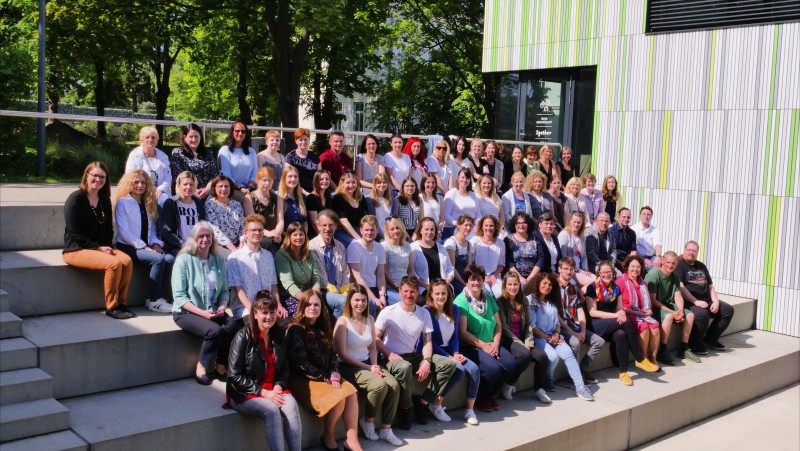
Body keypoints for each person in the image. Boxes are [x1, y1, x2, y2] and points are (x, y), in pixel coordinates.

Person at [375, 276, 456, 428]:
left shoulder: (423, 313)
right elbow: (375, 338)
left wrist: (426, 360)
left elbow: (427, 341)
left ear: (418, 292)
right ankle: (405, 408)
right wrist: (388, 353)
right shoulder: (388, 312)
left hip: (413, 355)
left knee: (448, 364)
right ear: (399, 291)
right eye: (405, 291)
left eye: (412, 292)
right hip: (391, 358)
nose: (409, 295)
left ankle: (424, 402)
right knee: (405, 367)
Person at [285, 291, 361, 451]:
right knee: (339, 398)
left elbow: (333, 354)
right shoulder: (295, 329)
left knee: (351, 392)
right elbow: (301, 364)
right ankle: (328, 436)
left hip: (325, 376)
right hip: (303, 380)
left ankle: (352, 441)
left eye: (317, 304)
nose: (313, 308)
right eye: (309, 304)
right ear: (302, 307)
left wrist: (334, 372)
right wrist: (327, 376)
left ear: (321, 307)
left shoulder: (324, 327)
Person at [226, 293, 302, 451]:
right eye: (264, 312)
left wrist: (279, 385)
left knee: (291, 405)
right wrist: (263, 393)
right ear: (255, 314)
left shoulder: (278, 333)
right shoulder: (242, 337)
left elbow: (285, 367)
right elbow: (233, 376)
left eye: (272, 312)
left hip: (273, 387)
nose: (269, 316)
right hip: (245, 392)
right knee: (271, 410)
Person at [333, 286, 403, 446]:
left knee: (393, 384)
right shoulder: (342, 322)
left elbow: (372, 347)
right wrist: (369, 369)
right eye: (356, 300)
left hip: (367, 363)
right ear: (349, 301)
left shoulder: (370, 318)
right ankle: (368, 422)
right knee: (378, 385)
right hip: (348, 366)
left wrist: (374, 365)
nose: (360, 303)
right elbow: (342, 354)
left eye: (363, 300)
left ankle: (386, 428)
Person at [63, 162, 134, 320]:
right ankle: (112, 306)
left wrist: (107, 247)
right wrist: (97, 248)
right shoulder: (75, 199)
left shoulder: (104, 200)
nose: (98, 179)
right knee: (113, 264)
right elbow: (74, 233)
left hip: (99, 248)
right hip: (76, 249)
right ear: (86, 176)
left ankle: (122, 303)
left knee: (126, 261)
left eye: (102, 177)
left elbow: (109, 229)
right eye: (94, 175)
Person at [172, 221, 237, 384]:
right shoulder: (183, 260)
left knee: (232, 325)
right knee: (214, 330)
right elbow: (179, 297)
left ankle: (221, 365)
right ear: (194, 238)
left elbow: (223, 291)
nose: (205, 239)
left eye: (208, 236)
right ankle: (202, 367)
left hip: (212, 309)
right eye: (201, 236)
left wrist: (222, 306)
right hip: (186, 312)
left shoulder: (219, 260)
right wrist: (202, 313)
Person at [453, 264, 518, 411]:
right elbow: (462, 332)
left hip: (491, 342)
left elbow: (499, 325)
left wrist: (495, 344)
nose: (476, 283)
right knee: (493, 369)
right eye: (472, 279)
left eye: (479, 279)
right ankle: (482, 397)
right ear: (467, 281)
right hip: (471, 346)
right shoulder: (461, 301)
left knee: (511, 365)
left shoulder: (488, 298)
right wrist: (484, 346)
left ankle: (490, 394)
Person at [585, 261, 659, 385]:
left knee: (621, 335)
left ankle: (623, 372)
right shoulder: (592, 287)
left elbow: (620, 309)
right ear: (599, 273)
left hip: (611, 323)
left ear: (613, 273)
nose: (606, 274)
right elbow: (593, 313)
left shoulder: (615, 288)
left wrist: (621, 314)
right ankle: (640, 358)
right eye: (603, 272)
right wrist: (616, 315)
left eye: (609, 271)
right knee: (627, 323)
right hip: (595, 324)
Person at [420, 279, 481, 425]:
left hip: (450, 350)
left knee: (474, 369)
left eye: (444, 293)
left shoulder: (454, 309)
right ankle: (436, 404)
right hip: (434, 351)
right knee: (458, 370)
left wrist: (455, 353)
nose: (441, 297)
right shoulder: (426, 311)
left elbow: (455, 337)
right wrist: (447, 356)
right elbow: (430, 342)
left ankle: (469, 410)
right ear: (431, 294)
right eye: (437, 294)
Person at [113, 170, 174, 314]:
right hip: (128, 246)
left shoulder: (148, 203)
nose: (140, 185)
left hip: (146, 246)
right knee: (158, 260)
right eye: (136, 182)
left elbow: (151, 230)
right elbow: (124, 232)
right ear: (129, 183)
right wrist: (145, 247)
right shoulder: (123, 203)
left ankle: (158, 297)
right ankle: (154, 300)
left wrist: (155, 244)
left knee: (169, 258)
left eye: (143, 182)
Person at [528, 272, 594, 401]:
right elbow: (533, 327)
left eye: (550, 284)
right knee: (553, 356)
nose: (547, 286)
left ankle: (580, 387)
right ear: (537, 284)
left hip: (553, 336)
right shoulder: (531, 300)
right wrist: (548, 338)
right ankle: (548, 378)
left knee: (568, 353)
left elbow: (557, 323)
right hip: (538, 338)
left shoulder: (551, 302)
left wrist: (557, 334)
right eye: (544, 283)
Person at [496, 272, 550, 404]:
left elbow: (527, 325)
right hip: (508, 340)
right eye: (510, 284)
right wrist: (520, 343)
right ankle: (509, 384)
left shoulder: (524, 300)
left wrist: (528, 341)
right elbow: (504, 328)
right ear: (505, 286)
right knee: (525, 355)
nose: (513, 287)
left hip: (523, 338)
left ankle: (539, 388)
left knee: (543, 357)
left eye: (515, 284)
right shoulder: (500, 302)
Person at [676, 240, 734, 354]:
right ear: (684, 250)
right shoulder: (680, 265)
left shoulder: (701, 265)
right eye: (689, 250)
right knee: (702, 314)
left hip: (706, 300)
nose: (691, 253)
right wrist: (695, 301)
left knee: (727, 310)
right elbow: (681, 287)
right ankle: (694, 345)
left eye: (694, 251)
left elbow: (711, 286)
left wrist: (716, 301)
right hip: (690, 302)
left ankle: (710, 340)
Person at [646, 251, 701, 365]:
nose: (670, 265)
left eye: (673, 263)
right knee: (669, 316)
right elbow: (653, 301)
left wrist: (680, 311)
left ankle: (684, 348)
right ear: (662, 261)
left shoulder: (675, 276)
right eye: (668, 262)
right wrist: (673, 312)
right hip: (654, 307)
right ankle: (663, 349)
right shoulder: (653, 275)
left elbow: (678, 295)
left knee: (690, 315)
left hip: (667, 305)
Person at [555, 257, 605, 383]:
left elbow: (580, 310)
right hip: (559, 327)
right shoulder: (553, 287)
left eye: (571, 269)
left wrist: (582, 330)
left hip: (573, 325)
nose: (568, 272)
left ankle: (581, 369)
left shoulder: (573, 288)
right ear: (559, 269)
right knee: (575, 342)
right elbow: (555, 316)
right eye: (565, 269)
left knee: (599, 342)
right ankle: (576, 378)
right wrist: (573, 333)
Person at [227, 214, 284, 325]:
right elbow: (238, 289)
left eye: (260, 230)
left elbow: (273, 285)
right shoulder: (234, 258)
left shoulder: (268, 256)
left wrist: (278, 305)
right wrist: (253, 310)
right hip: (245, 309)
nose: (257, 233)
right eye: (253, 230)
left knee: (287, 325)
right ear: (245, 233)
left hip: (268, 308)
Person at [617, 255, 660, 365]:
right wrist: (636, 313)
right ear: (627, 267)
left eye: (638, 267)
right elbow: (620, 306)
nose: (635, 269)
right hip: (627, 313)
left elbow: (646, 303)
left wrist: (649, 310)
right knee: (644, 326)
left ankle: (653, 356)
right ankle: (643, 357)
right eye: (632, 266)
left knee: (655, 326)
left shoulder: (642, 282)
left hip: (641, 312)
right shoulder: (620, 281)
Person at [309, 210, 350, 320]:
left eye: (331, 225)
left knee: (366, 300)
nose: (328, 229)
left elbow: (345, 271)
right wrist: (338, 294)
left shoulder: (340, 246)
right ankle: (334, 332)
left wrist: (345, 290)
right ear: (318, 226)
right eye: (324, 225)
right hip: (322, 290)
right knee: (343, 301)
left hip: (340, 289)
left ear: (336, 226)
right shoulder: (311, 247)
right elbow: (319, 275)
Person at [274, 223, 320, 318]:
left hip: (309, 295)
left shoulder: (309, 254)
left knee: (322, 312)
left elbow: (315, 279)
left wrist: (315, 297)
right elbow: (288, 283)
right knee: (304, 314)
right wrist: (306, 300)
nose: (298, 237)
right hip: (290, 296)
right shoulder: (282, 255)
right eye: (295, 235)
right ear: (289, 237)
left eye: (301, 234)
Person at [160, 171, 208, 256]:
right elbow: (166, 231)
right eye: (185, 184)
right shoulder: (171, 203)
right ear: (178, 185)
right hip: (178, 247)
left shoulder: (198, 203)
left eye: (191, 184)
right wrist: (185, 245)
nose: (188, 187)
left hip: (198, 245)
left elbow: (203, 226)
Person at [347, 216, 387, 317]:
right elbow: (358, 278)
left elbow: (381, 275)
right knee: (373, 305)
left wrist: (382, 295)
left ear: (377, 230)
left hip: (375, 287)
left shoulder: (380, 248)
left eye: (372, 230)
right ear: (361, 230)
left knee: (397, 301)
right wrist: (374, 299)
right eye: (366, 230)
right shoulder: (354, 247)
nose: (369, 233)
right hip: (360, 289)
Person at [126, 126, 172, 206]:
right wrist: (148, 190)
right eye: (147, 137)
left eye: (153, 137)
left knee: (165, 202)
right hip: (140, 190)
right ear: (142, 139)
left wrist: (160, 190)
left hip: (159, 191)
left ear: (157, 139)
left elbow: (168, 178)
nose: (150, 140)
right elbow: (130, 176)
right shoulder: (134, 155)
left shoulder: (163, 156)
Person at [410, 217, 454, 299]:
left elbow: (450, 268)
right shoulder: (413, 248)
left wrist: (447, 281)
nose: (429, 232)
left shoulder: (441, 248)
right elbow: (412, 272)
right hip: (424, 288)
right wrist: (425, 285)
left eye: (432, 229)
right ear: (420, 230)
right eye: (426, 229)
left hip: (443, 288)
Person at [170, 123, 217, 197]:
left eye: (196, 136)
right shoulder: (178, 153)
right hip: (185, 193)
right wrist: (194, 191)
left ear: (200, 137)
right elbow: (177, 178)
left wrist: (206, 190)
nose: (194, 139)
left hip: (207, 192)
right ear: (185, 138)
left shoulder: (208, 153)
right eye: (191, 136)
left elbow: (214, 176)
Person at [205, 175, 244, 256]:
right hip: (220, 245)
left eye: (226, 186)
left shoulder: (237, 204)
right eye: (220, 186)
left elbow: (242, 226)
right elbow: (216, 231)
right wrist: (234, 250)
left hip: (240, 244)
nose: (224, 189)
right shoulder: (210, 204)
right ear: (214, 188)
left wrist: (241, 245)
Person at [218, 121, 258, 196]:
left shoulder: (251, 151)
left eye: (243, 131)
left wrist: (249, 188)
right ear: (232, 132)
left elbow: (254, 173)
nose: (240, 133)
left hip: (249, 189)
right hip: (231, 189)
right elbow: (226, 174)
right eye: (237, 131)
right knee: (247, 200)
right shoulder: (224, 150)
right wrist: (240, 188)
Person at [470, 215, 505, 298]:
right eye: (486, 225)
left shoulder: (501, 243)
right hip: (478, 276)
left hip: (495, 276)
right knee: (485, 294)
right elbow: (471, 263)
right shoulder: (475, 241)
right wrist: (482, 276)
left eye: (491, 225)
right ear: (482, 227)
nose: (488, 228)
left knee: (500, 294)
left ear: (495, 227)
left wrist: (494, 276)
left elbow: (501, 265)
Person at [250, 166, 284, 253]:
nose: (267, 183)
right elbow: (252, 222)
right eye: (264, 180)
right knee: (271, 244)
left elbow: (280, 220)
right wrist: (269, 234)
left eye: (270, 180)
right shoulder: (249, 198)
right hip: (257, 234)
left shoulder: (278, 198)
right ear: (257, 180)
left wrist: (277, 232)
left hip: (275, 234)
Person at [332, 172, 370, 248]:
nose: (351, 185)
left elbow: (367, 219)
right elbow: (344, 222)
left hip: (360, 230)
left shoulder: (361, 197)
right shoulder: (338, 198)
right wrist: (359, 239)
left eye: (353, 182)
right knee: (358, 245)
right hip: (343, 231)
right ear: (342, 183)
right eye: (348, 182)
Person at [557, 211, 596, 287]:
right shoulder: (564, 235)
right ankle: (580, 293)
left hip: (581, 269)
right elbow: (564, 258)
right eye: (574, 222)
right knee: (594, 283)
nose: (576, 224)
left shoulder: (581, 237)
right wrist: (580, 270)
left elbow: (584, 256)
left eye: (579, 222)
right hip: (571, 270)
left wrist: (585, 269)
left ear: (582, 224)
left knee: (598, 280)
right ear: (570, 221)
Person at [504, 212, 540, 290]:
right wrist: (520, 279)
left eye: (524, 223)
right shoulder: (508, 240)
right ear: (514, 225)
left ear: (528, 224)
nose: (521, 225)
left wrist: (530, 278)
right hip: (514, 277)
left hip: (533, 277)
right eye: (518, 223)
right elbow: (508, 261)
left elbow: (541, 259)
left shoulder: (536, 239)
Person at [382, 217, 414, 306]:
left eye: (397, 228)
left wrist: (410, 285)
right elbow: (384, 272)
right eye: (392, 229)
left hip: (407, 286)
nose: (396, 231)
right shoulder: (385, 247)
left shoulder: (407, 246)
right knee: (405, 302)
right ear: (388, 231)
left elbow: (411, 270)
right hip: (391, 288)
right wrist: (397, 286)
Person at [443, 168, 480, 241]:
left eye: (467, 178)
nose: (465, 180)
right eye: (462, 177)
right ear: (458, 177)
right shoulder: (451, 193)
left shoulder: (473, 195)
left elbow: (478, 214)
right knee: (473, 239)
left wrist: (478, 225)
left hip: (471, 227)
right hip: (454, 228)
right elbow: (446, 215)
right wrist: (459, 225)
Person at [444, 215, 474, 295]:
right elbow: (452, 268)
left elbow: (469, 267)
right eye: (466, 225)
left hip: (465, 279)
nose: (468, 228)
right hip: (454, 279)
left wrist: (469, 281)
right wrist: (464, 284)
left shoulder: (469, 245)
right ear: (458, 225)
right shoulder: (451, 243)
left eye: (470, 226)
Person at [285, 128, 320, 195]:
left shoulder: (315, 157)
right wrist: (306, 193)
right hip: (296, 192)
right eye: (300, 140)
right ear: (296, 141)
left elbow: (319, 177)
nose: (303, 142)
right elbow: (289, 179)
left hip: (314, 192)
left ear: (309, 140)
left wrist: (315, 192)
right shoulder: (290, 157)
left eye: (305, 139)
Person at [307, 170, 334, 238]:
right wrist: (323, 237)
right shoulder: (311, 198)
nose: (325, 181)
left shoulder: (328, 198)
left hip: (328, 232)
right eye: (321, 179)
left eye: (327, 179)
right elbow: (314, 223)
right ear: (316, 181)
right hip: (316, 234)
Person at [610, 207, 637, 272]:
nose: (626, 219)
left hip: (627, 261)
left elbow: (633, 251)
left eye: (628, 217)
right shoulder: (611, 231)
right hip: (613, 260)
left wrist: (629, 262)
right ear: (618, 217)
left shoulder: (632, 233)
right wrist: (621, 264)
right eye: (624, 217)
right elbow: (609, 252)